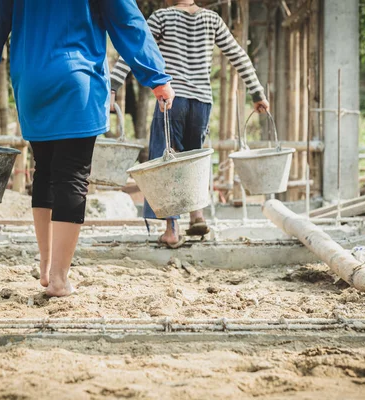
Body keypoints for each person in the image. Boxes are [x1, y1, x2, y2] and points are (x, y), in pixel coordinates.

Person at [0, 0, 174, 297]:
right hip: (78, 80)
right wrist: (156, 77)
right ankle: (60, 279)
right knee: (72, 175)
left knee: (45, 171)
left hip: (32, 82)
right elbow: (127, 22)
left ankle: (47, 267)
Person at [110, 1, 269, 249]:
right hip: (202, 102)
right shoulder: (212, 19)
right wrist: (257, 93)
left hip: (171, 99)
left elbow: (135, 49)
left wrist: (112, 86)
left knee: (166, 161)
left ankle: (172, 228)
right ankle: (197, 215)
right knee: (195, 159)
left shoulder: (161, 17)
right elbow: (238, 55)